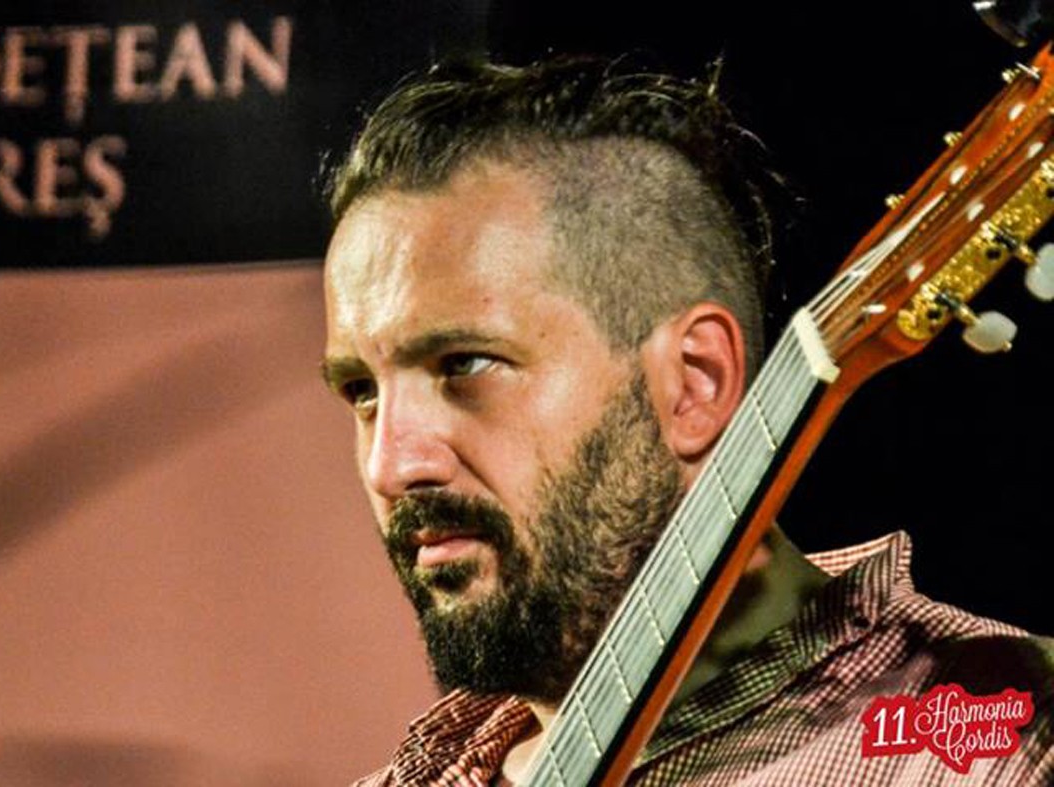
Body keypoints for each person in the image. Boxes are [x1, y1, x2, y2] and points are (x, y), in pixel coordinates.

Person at [319, 55, 1054, 786]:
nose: (391, 465)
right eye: (361, 390)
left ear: (695, 383)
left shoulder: (1008, 745)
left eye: (466, 364)